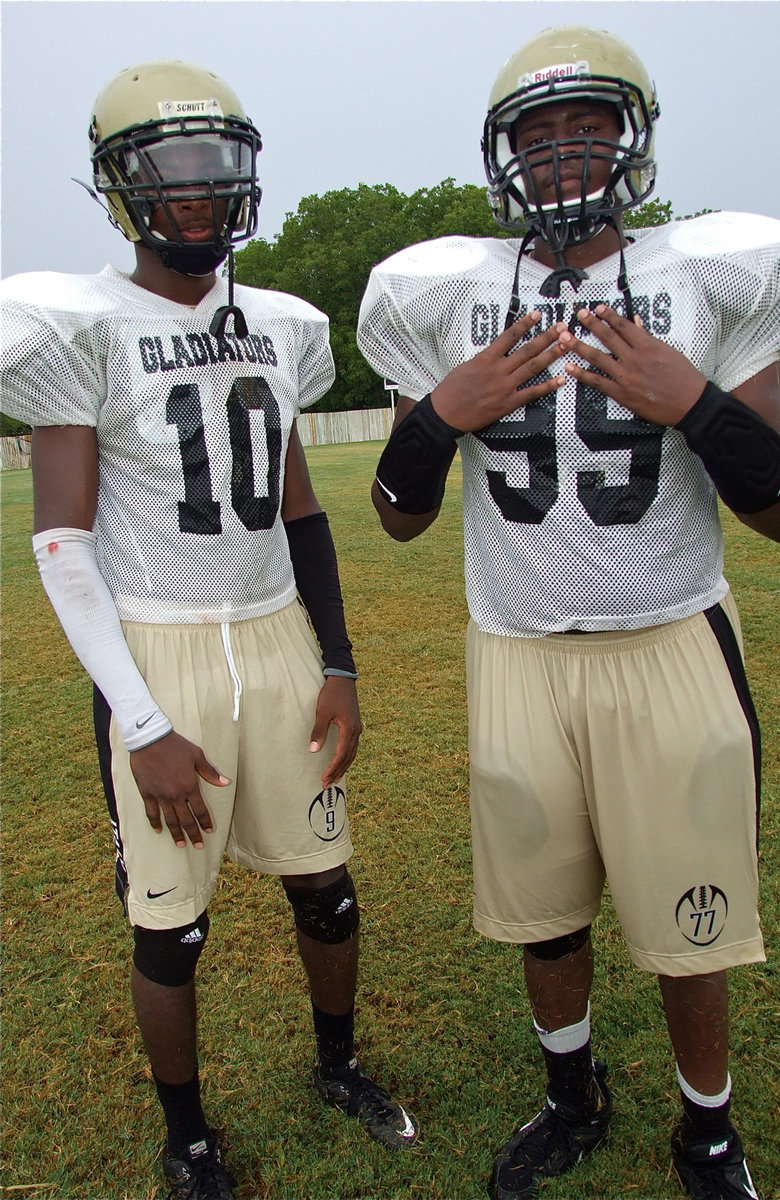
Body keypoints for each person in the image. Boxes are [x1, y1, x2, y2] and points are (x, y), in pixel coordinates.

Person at [357, 24, 780, 1200]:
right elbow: (395, 515)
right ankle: (572, 1092)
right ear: (505, 159)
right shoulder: (443, 296)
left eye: (584, 132)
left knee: (687, 914)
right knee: (545, 913)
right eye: (537, 139)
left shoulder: (703, 277)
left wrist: (694, 402)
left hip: (668, 641)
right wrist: (439, 415)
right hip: (516, 652)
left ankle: (704, 1131)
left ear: (628, 143)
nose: (560, 159)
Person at [0, 59, 417, 1200]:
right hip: (163, 645)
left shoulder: (278, 323)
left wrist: (334, 660)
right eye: (169, 167)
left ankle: (337, 1067)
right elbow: (61, 543)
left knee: (324, 885)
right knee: (170, 929)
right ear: (120, 185)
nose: (197, 192)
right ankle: (187, 1139)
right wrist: (141, 720)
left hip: (277, 636)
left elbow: (295, 507)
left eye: (215, 165)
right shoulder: (77, 322)